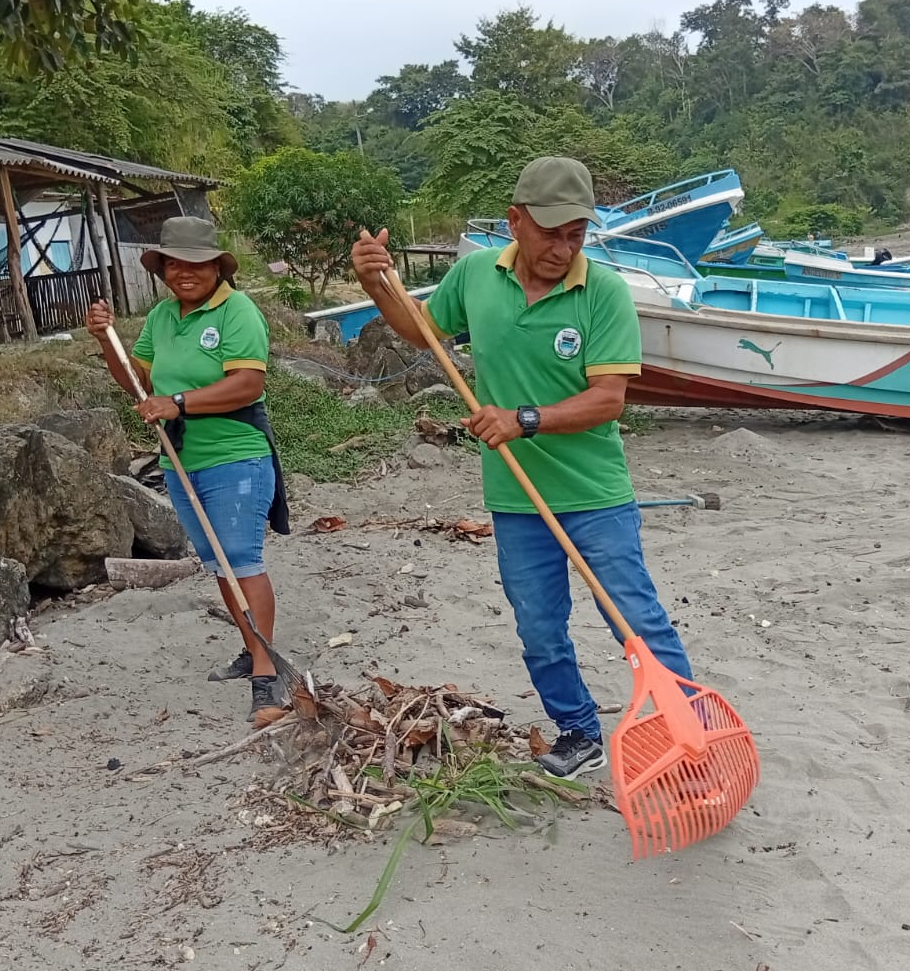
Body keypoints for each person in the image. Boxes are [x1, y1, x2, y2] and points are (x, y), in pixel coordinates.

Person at [350, 156, 695, 779]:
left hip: (595, 494)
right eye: (551, 234)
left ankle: (687, 735)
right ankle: (579, 731)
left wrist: (523, 419)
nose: (563, 249)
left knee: (636, 622)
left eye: (576, 235)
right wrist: (379, 286)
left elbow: (608, 399)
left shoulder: (604, 293)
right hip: (515, 497)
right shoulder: (476, 274)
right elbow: (424, 332)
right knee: (538, 628)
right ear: (515, 222)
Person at [86, 216, 290, 720]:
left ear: (217, 267)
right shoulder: (161, 316)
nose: (183, 272)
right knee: (218, 561)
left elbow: (248, 385)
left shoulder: (238, 311)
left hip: (235, 456)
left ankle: (267, 672)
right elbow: (138, 380)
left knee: (241, 558)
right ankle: (252, 647)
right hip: (180, 461)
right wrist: (106, 339)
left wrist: (177, 402)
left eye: (195, 263)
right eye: (173, 264)